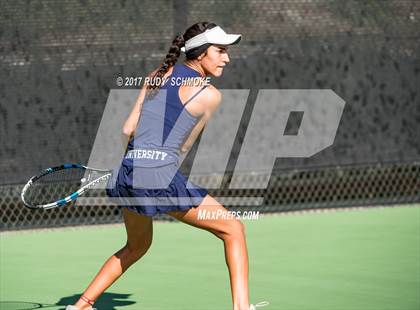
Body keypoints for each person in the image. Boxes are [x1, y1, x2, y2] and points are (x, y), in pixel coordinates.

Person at [66, 22, 267, 310]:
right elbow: (183, 147)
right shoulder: (209, 95)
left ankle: (80, 306)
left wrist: (132, 168)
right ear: (200, 53)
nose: (227, 58)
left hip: (128, 171)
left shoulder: (156, 77)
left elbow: (127, 129)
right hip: (159, 177)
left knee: (137, 246)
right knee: (233, 229)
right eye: (220, 51)